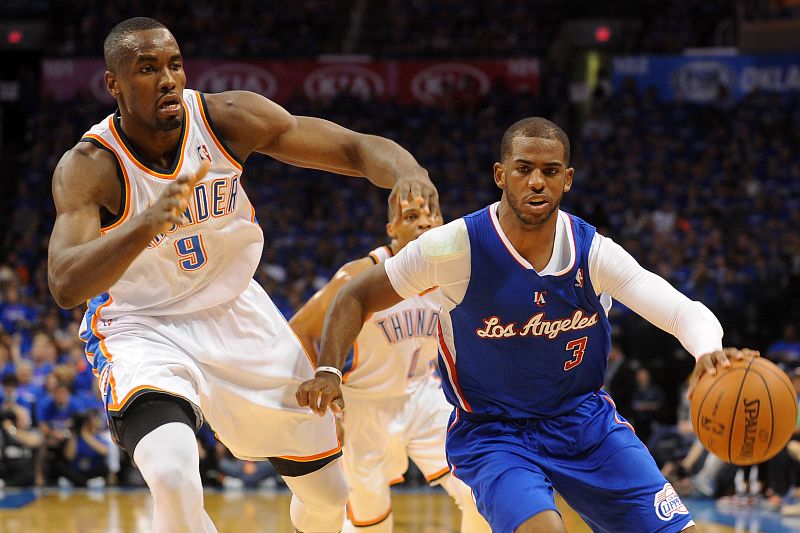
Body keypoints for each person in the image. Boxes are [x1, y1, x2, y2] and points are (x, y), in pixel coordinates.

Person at [46, 17, 437, 533]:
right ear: (113, 84)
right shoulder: (90, 165)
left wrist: (408, 171)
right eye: (147, 69)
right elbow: (64, 283)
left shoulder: (226, 118)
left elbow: (351, 147)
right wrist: (146, 224)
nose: (168, 79)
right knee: (171, 475)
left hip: (237, 311)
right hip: (143, 325)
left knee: (327, 494)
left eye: (174, 64)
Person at [297, 117, 758, 532]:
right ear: (501, 175)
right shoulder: (453, 246)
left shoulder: (593, 251)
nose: (537, 181)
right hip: (495, 432)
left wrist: (708, 349)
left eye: (551, 170)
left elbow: (678, 309)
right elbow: (355, 295)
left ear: (567, 179)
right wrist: (330, 370)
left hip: (584, 423)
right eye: (523, 169)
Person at [289, 199, 489, 532]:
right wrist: (326, 411)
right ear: (391, 229)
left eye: (432, 215)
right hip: (365, 407)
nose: (424, 223)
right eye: (411, 216)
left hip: (425, 396)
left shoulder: (454, 273)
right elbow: (301, 329)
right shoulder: (360, 274)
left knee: (480, 493)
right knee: (372, 520)